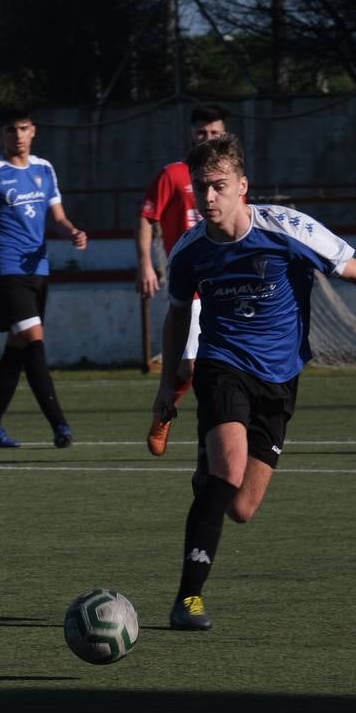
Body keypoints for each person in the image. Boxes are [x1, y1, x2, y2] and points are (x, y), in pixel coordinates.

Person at [154, 134, 356, 631]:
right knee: (228, 470)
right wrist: (167, 382)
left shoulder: (286, 229)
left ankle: (208, 475)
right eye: (200, 188)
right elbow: (174, 317)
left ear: (242, 187)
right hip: (222, 364)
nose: (207, 198)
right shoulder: (190, 251)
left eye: (217, 186)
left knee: (241, 507)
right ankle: (187, 599)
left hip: (281, 378)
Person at [0, 106, 87, 449]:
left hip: (38, 270)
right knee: (33, 340)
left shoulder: (45, 170)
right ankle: (60, 424)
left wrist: (72, 231)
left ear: (34, 131)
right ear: (3, 135)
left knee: (18, 349)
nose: (17, 135)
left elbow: (57, 217)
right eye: (10, 130)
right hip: (5, 270)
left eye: (23, 128)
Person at [137, 103, 229, 456]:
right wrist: (146, 263)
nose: (208, 139)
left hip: (227, 278)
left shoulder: (232, 178)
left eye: (215, 134)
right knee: (190, 364)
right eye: (202, 134)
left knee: (224, 358)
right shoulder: (174, 174)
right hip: (190, 278)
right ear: (192, 136)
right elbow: (147, 218)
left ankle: (224, 428)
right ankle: (165, 410)